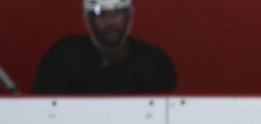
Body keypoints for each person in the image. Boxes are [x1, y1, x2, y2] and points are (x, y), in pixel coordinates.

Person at [33, 0, 176, 95]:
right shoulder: (64, 58)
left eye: (117, 13)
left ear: (129, 16)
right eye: (100, 14)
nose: (109, 23)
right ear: (88, 19)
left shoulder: (153, 63)